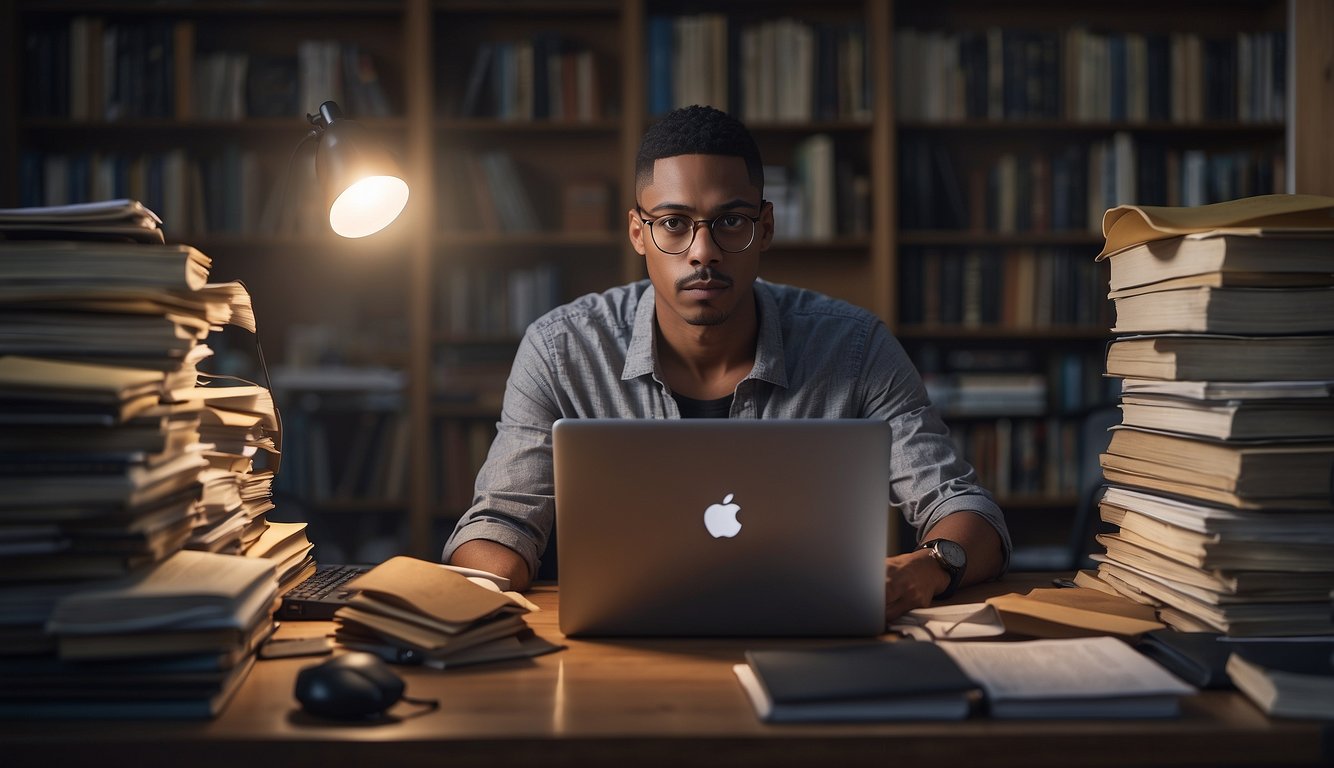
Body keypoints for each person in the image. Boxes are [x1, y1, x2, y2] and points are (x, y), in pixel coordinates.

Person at [444, 105, 1010, 619]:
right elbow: (506, 519)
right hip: (616, 643)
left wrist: (931, 565)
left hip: (808, 632)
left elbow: (963, 507)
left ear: (765, 227)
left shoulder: (856, 348)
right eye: (673, 223)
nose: (703, 250)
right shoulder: (561, 349)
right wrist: (486, 586)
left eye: (730, 221)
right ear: (638, 233)